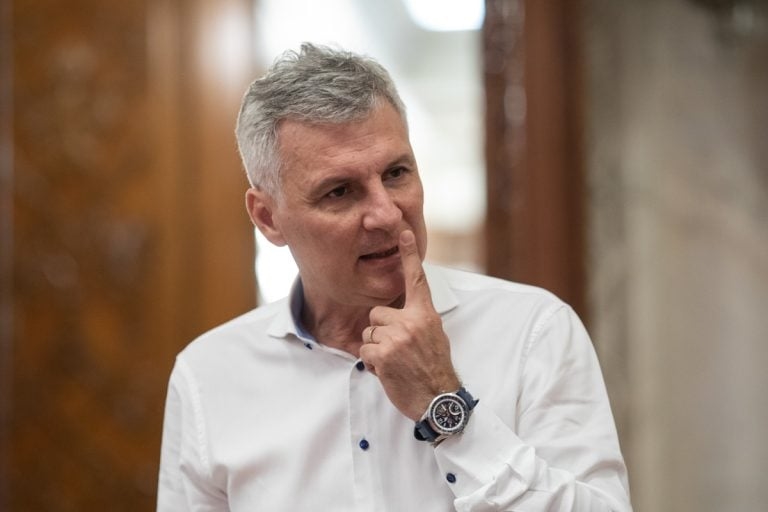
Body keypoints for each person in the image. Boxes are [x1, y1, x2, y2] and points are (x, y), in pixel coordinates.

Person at [157, 43, 632, 511]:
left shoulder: (532, 331)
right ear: (267, 218)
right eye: (339, 192)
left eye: (396, 173)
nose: (386, 214)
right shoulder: (208, 376)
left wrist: (445, 404)